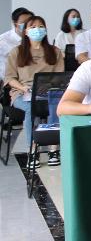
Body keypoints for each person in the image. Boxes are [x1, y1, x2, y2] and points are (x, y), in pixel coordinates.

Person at [4, 15, 63, 165]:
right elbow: (10, 78)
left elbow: (60, 77)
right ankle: (32, 149)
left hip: (49, 91)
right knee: (32, 108)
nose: (38, 29)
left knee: (57, 106)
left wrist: (48, 87)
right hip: (22, 92)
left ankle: (53, 149)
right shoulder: (16, 52)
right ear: (25, 31)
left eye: (41, 26)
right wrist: (22, 87)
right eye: (33, 27)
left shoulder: (54, 51)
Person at [0, 7, 33, 80]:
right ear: (15, 24)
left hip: (32, 79)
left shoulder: (35, 37)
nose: (28, 25)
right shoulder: (3, 41)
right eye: (24, 22)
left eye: (30, 22)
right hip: (9, 81)